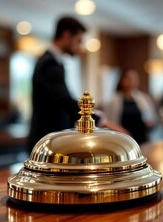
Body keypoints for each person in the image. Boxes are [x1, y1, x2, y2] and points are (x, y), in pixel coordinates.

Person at [27, 16, 125, 152]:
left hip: (50, 140)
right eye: (78, 41)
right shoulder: (49, 63)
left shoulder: (54, 62)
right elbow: (63, 100)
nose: (79, 47)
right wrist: (100, 121)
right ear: (66, 35)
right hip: (46, 142)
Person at [104, 69, 157, 144]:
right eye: (128, 78)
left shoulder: (144, 98)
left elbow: (151, 118)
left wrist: (150, 123)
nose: (131, 81)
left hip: (141, 138)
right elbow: (109, 122)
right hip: (122, 139)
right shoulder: (113, 100)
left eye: (134, 79)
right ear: (122, 81)